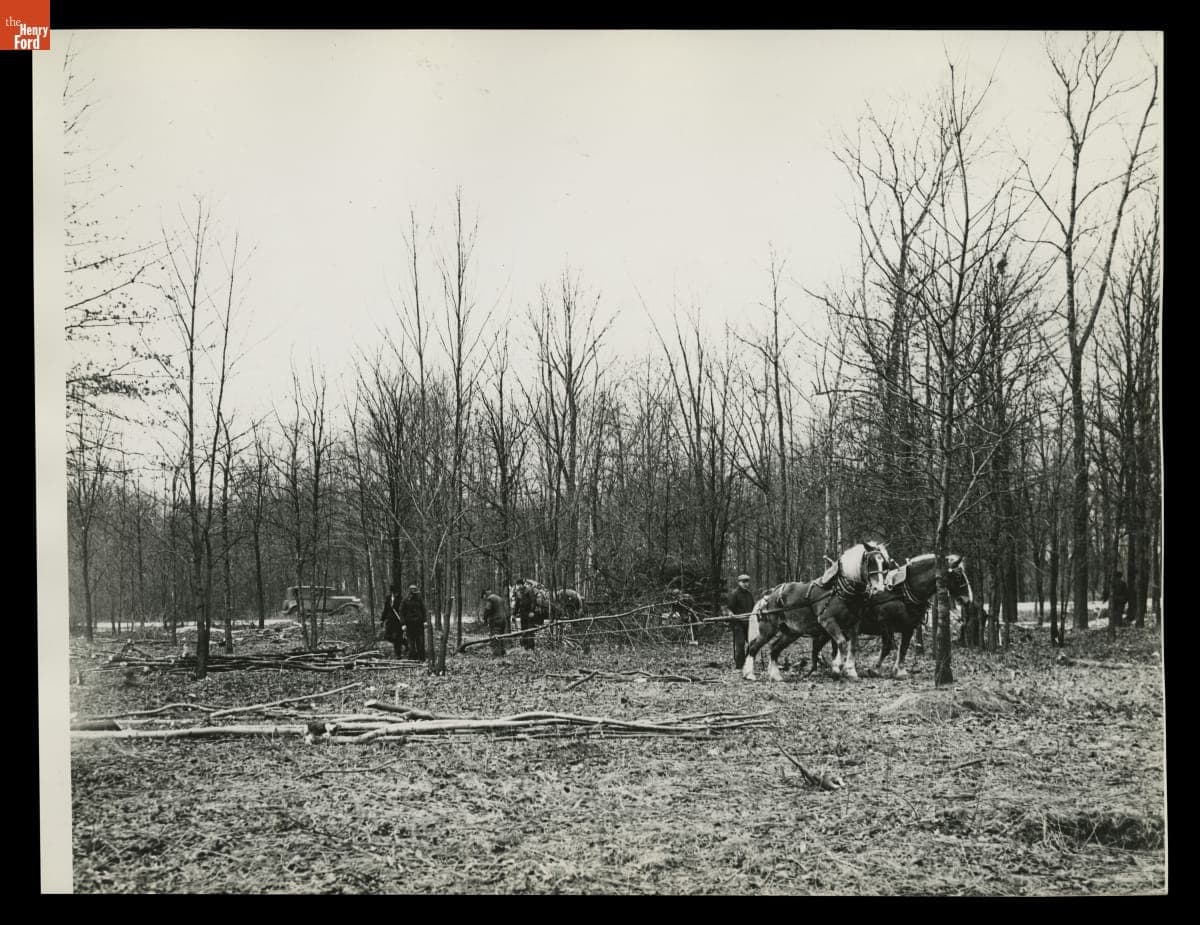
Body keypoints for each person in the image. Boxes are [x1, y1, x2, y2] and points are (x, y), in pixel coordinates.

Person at [727, 573, 757, 670]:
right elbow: (729, 609)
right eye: (743, 582)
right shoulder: (734, 594)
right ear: (739, 583)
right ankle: (740, 666)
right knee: (740, 644)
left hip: (748, 622)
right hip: (738, 623)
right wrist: (731, 614)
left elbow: (753, 608)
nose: (745, 584)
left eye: (747, 582)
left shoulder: (749, 595)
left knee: (753, 643)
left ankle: (748, 662)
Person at [400, 584, 428, 660]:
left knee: (420, 643)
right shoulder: (405, 600)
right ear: (410, 591)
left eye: (415, 591)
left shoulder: (419, 599)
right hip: (409, 626)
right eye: (412, 591)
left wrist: (425, 621)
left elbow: (423, 610)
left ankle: (421, 659)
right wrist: (403, 624)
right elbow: (401, 612)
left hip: (419, 625)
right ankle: (412, 660)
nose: (414, 593)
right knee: (411, 645)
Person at [481, 589, 507, 657]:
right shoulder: (499, 598)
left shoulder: (490, 599)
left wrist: (485, 619)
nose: (484, 599)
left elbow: (488, 609)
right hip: (503, 620)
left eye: (483, 597)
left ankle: (497, 656)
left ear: (485, 595)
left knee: (495, 638)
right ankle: (503, 653)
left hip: (496, 620)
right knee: (501, 636)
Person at [381, 586, 405, 658]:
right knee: (387, 636)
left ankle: (398, 654)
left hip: (397, 621)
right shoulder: (388, 598)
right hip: (389, 621)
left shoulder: (401, 599)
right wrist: (382, 619)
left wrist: (403, 622)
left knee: (396, 638)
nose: (396, 594)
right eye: (395, 592)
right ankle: (405, 642)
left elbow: (403, 611)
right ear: (392, 592)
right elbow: (385, 610)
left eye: (397, 592)